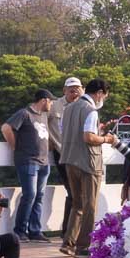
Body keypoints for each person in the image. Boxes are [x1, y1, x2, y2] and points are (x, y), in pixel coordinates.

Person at [60, 78, 118, 257]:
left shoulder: (68, 109)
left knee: (77, 204)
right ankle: (83, 246)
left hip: (69, 160)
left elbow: (63, 132)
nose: (103, 99)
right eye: (104, 96)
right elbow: (89, 137)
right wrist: (107, 139)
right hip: (88, 162)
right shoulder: (90, 110)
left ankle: (68, 243)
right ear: (99, 93)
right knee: (90, 205)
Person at [2, 89, 55, 241]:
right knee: (30, 194)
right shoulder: (24, 113)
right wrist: (14, 146)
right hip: (28, 160)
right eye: (50, 101)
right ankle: (20, 230)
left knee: (39, 196)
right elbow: (6, 128)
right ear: (44, 100)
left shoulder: (44, 116)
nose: (51, 104)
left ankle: (35, 231)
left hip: (44, 162)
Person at [49, 77, 84, 237]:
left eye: (77, 89)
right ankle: (68, 232)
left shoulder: (85, 106)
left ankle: (72, 232)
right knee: (73, 192)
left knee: (78, 193)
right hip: (62, 153)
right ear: (64, 90)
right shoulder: (54, 105)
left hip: (79, 155)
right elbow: (42, 121)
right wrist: (47, 140)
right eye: (71, 89)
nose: (74, 92)